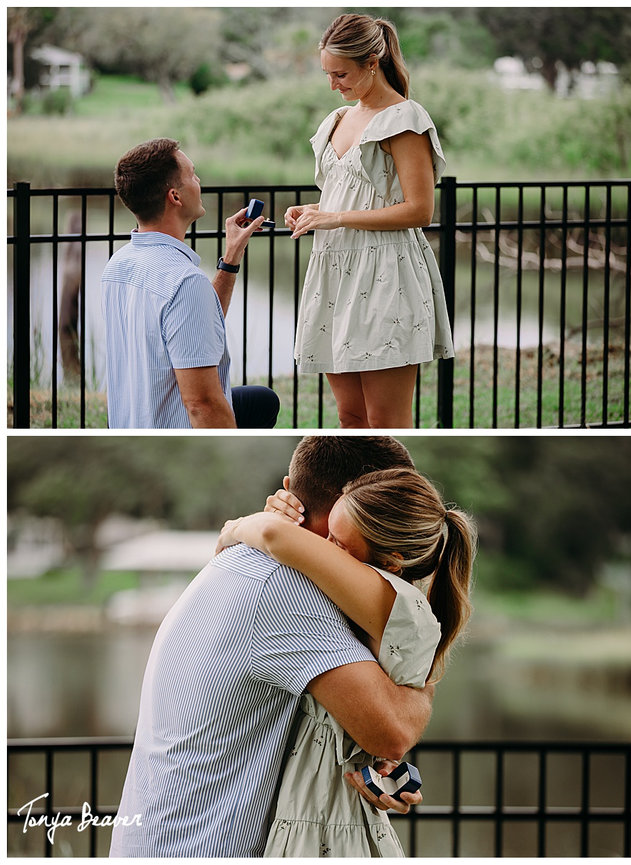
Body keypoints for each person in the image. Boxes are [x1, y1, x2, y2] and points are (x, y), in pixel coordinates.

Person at [109, 437, 431, 857]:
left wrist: (370, 765)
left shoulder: (245, 561)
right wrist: (420, 689)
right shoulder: (286, 588)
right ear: (360, 508)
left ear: (289, 487)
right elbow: (394, 729)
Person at [218, 467, 476, 856]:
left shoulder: (394, 602)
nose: (322, 545)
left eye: (337, 543)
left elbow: (273, 535)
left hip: (326, 821)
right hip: (318, 804)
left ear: (391, 563)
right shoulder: (380, 603)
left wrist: (238, 527)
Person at [288, 13, 454, 428]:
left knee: (386, 423)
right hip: (334, 274)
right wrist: (315, 212)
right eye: (328, 74)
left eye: (341, 73)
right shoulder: (338, 120)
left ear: (372, 63)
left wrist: (336, 217)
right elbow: (349, 194)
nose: (333, 84)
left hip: (385, 275)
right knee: (350, 419)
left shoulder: (404, 119)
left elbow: (420, 210)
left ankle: (388, 492)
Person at [103, 138, 280, 429]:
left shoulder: (117, 265)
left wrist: (231, 256)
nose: (199, 181)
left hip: (133, 422)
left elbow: (197, 327)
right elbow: (202, 405)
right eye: (193, 175)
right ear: (175, 196)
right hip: (174, 428)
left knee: (261, 400)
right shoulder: (184, 282)